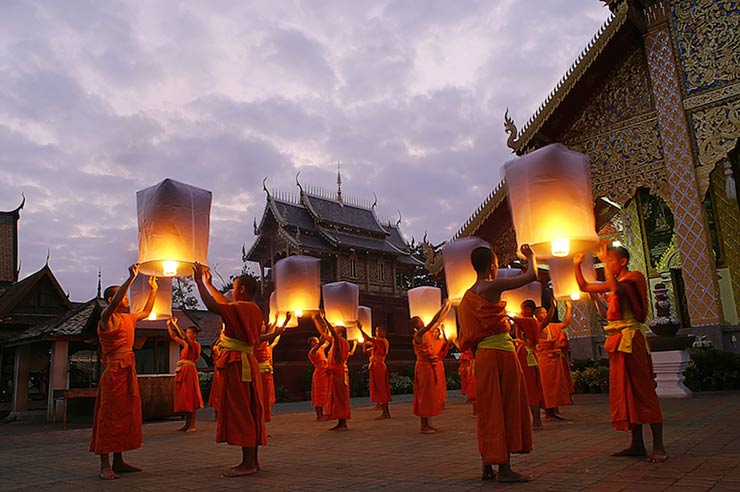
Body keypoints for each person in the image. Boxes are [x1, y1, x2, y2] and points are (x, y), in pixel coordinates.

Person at [575, 241, 666, 463]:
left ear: (622, 262)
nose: (606, 264)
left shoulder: (633, 278)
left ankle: (659, 446)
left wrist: (604, 263)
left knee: (643, 391)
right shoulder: (614, 282)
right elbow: (585, 287)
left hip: (631, 340)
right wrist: (576, 265)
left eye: (610, 261)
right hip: (617, 341)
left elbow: (616, 288)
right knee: (626, 392)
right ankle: (636, 444)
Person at [193, 264, 285, 477]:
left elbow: (214, 306)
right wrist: (208, 283)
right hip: (245, 363)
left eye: (234, 287)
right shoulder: (251, 309)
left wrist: (198, 281)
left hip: (239, 365)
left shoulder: (242, 309)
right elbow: (225, 303)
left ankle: (248, 463)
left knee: (242, 411)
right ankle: (253, 460)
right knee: (248, 410)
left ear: (242, 289)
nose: (232, 292)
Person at [458, 244, 537, 483]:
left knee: (489, 408)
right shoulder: (491, 286)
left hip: (482, 356)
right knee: (506, 406)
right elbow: (531, 276)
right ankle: (504, 468)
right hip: (501, 352)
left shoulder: (466, 297)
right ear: (492, 265)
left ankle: (487, 462)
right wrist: (531, 256)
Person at [89, 264, 157, 480]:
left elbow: (146, 311)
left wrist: (154, 289)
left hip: (128, 372)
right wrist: (130, 278)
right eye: (123, 296)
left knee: (126, 415)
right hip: (114, 373)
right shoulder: (106, 318)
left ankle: (119, 461)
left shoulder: (129, 319)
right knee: (108, 416)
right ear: (111, 300)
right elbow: (117, 301)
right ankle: (105, 464)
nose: (127, 299)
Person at [411, 302, 452, 434]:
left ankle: (428, 423)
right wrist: (443, 306)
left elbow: (438, 321)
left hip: (430, 366)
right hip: (423, 368)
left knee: (429, 395)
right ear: (415, 326)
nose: (422, 322)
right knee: (424, 395)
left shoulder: (427, 333)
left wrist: (448, 308)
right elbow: (434, 320)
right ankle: (423, 425)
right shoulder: (419, 335)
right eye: (419, 322)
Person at [514, 298, 552, 430]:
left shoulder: (529, 321)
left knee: (531, 387)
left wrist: (504, 311)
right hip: (526, 354)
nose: (520, 311)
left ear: (528, 310)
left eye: (522, 308)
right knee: (530, 386)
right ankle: (536, 420)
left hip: (527, 355)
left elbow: (514, 319)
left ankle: (536, 420)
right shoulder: (531, 322)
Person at [535, 299, 573, 421]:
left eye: (546, 312)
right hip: (544, 360)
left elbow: (566, 323)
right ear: (536, 315)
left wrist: (569, 308)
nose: (545, 315)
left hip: (555, 359)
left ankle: (553, 410)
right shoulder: (537, 326)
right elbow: (545, 322)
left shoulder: (553, 326)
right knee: (547, 387)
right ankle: (548, 412)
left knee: (555, 386)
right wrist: (552, 307)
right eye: (543, 312)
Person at [313, 314, 352, 431]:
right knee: (335, 397)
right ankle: (340, 422)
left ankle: (344, 423)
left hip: (340, 373)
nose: (333, 331)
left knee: (341, 397)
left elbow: (331, 333)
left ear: (340, 333)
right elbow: (324, 334)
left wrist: (325, 318)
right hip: (334, 374)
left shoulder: (341, 341)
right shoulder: (335, 342)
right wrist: (316, 319)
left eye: (335, 330)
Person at [167, 317, 204, 432]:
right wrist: (169, 325)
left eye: (189, 333)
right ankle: (187, 424)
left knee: (191, 396)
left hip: (189, 371)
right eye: (187, 332)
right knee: (184, 397)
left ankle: (192, 425)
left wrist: (176, 324)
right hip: (183, 370)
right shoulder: (186, 345)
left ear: (194, 335)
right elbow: (173, 337)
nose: (187, 334)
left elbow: (182, 336)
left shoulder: (195, 345)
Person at [358, 324, 392, 419]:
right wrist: (364, 342)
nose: (377, 333)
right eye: (376, 331)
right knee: (378, 387)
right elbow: (365, 350)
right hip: (375, 366)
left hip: (379, 366)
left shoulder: (382, 341)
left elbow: (369, 338)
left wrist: (360, 329)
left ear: (384, 332)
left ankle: (386, 412)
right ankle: (382, 407)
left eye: (379, 331)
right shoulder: (378, 343)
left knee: (381, 388)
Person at [308, 335, 331, 421]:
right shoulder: (312, 352)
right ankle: (319, 415)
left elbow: (327, 342)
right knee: (318, 394)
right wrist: (323, 335)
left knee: (325, 392)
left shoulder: (321, 348)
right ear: (312, 343)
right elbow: (321, 343)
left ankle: (325, 413)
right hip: (319, 374)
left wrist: (328, 330)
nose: (317, 342)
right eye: (315, 341)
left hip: (325, 373)